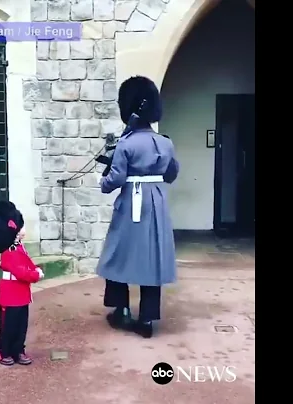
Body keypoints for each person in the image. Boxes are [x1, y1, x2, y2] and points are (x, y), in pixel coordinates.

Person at [96, 75, 179, 339]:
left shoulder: (126, 143)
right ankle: (147, 320)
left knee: (117, 254)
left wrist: (101, 182)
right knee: (151, 259)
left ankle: (121, 310)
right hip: (157, 202)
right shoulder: (166, 142)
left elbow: (116, 178)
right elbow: (171, 173)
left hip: (132, 200)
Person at [0, 201, 45, 366]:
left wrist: (35, 269)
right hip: (10, 295)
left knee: (21, 325)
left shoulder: (18, 248)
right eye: (20, 228)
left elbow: (27, 263)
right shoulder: (9, 252)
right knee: (7, 325)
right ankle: (2, 350)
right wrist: (35, 275)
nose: (23, 231)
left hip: (21, 294)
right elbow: (21, 272)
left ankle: (18, 350)